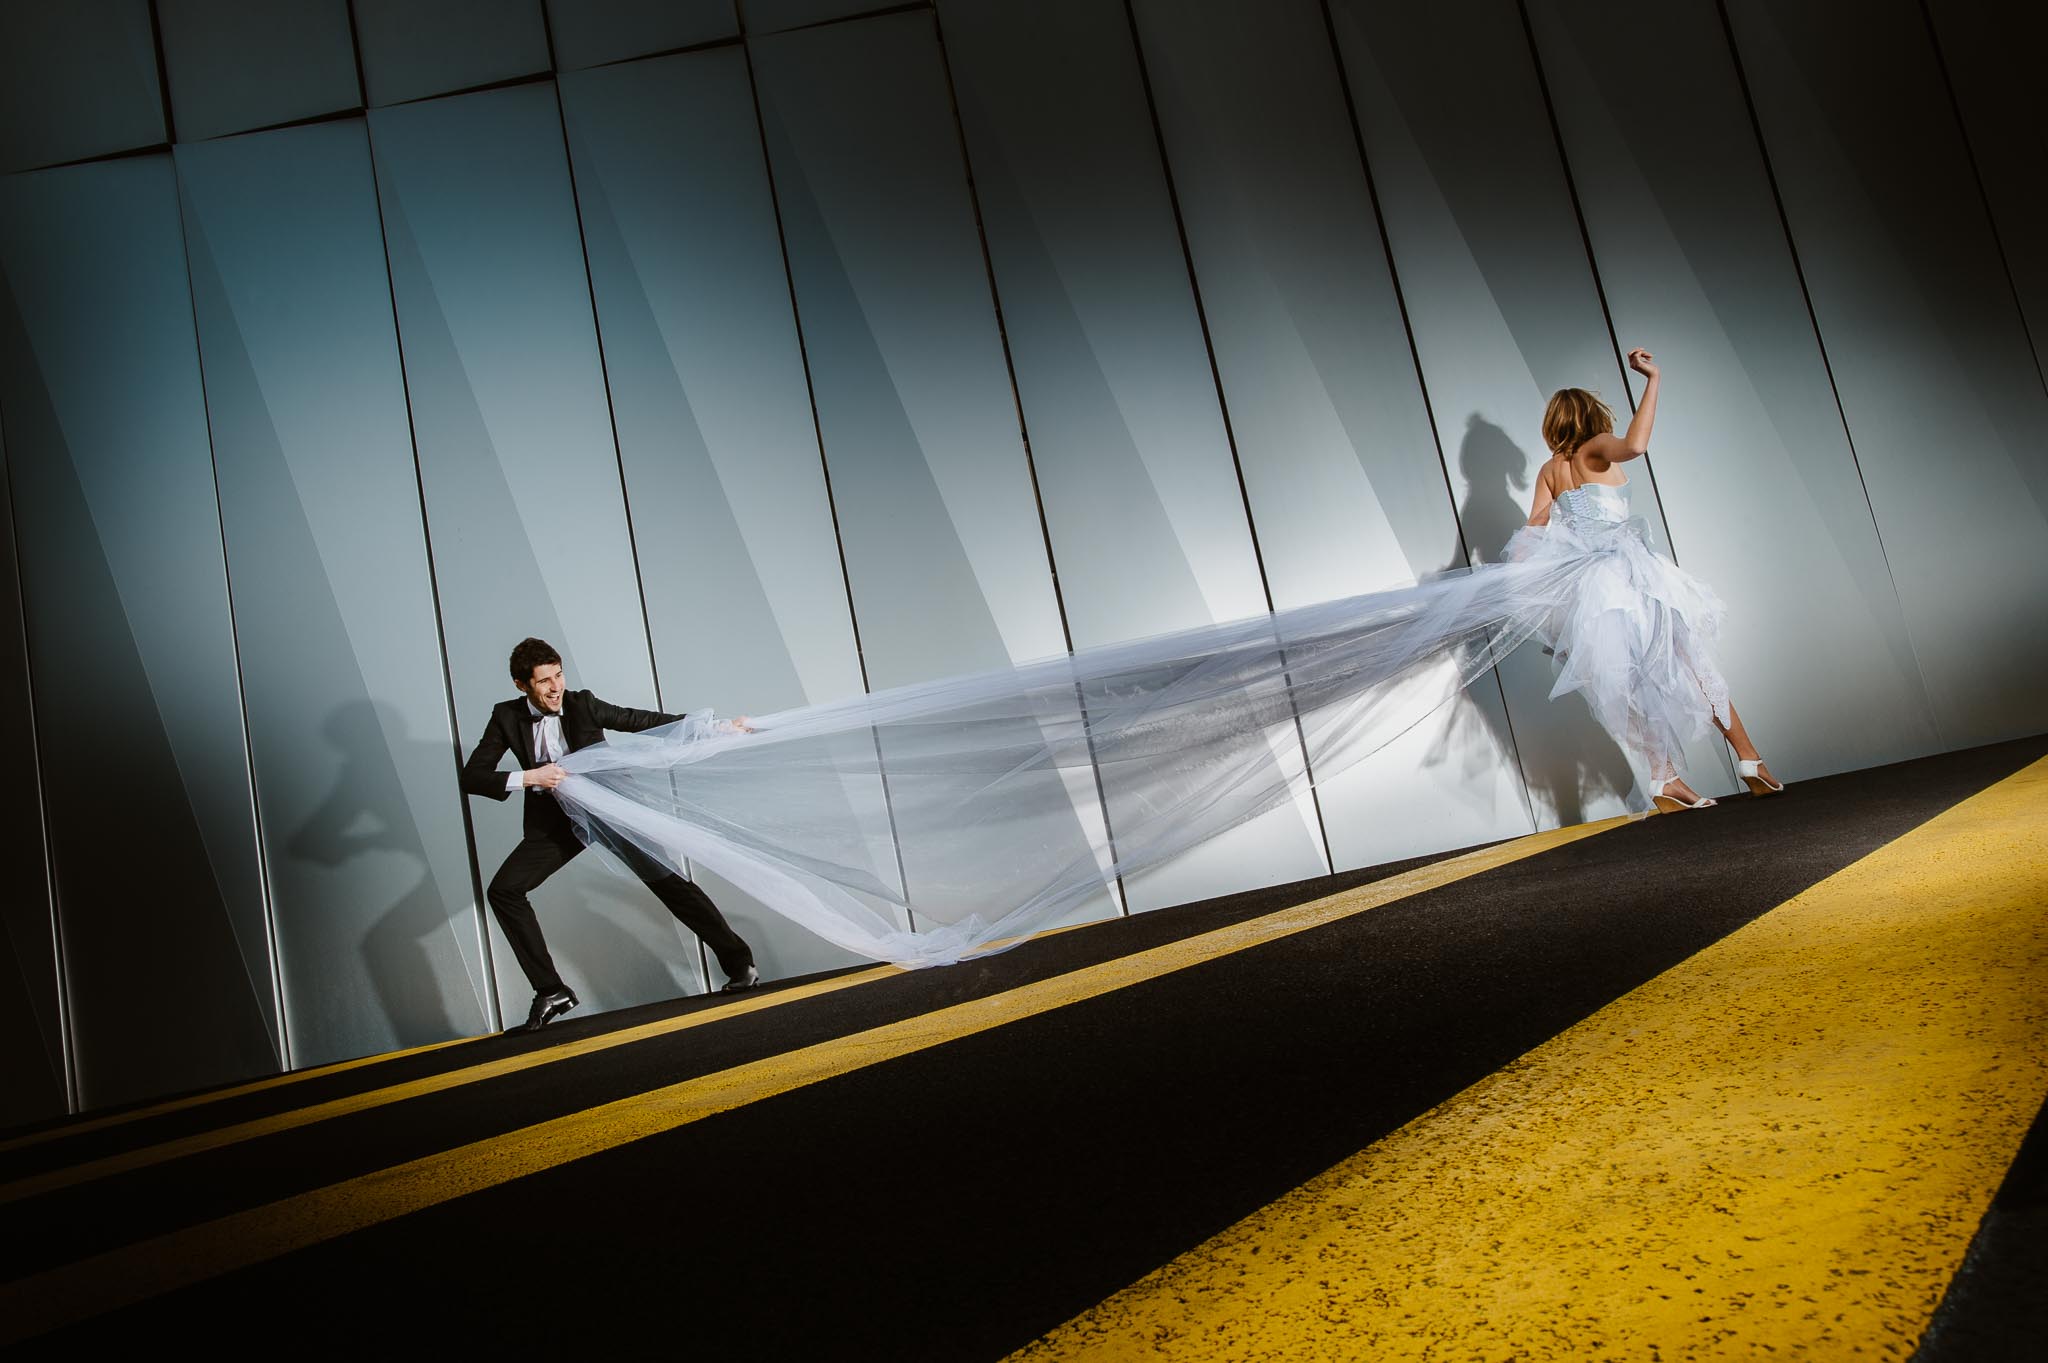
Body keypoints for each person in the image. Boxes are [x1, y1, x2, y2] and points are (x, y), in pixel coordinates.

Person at [1509, 347, 1783, 812]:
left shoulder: (1551, 469)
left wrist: (1514, 578)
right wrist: (1652, 379)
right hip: (1631, 573)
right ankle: (1749, 758)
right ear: (1591, 418)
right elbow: (1635, 446)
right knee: (1694, 665)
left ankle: (1664, 777)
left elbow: (1532, 528)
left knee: (1631, 680)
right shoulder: (1594, 449)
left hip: (1592, 587)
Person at [461, 637, 760, 1032]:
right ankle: (551, 990)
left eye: (559, 675)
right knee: (504, 890)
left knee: (667, 883)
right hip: (556, 822)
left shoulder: (582, 702)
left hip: (608, 808)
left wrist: (716, 728)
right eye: (544, 682)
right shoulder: (505, 716)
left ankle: (740, 963)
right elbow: (473, 776)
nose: (555, 688)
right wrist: (530, 777)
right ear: (522, 686)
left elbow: (643, 721)